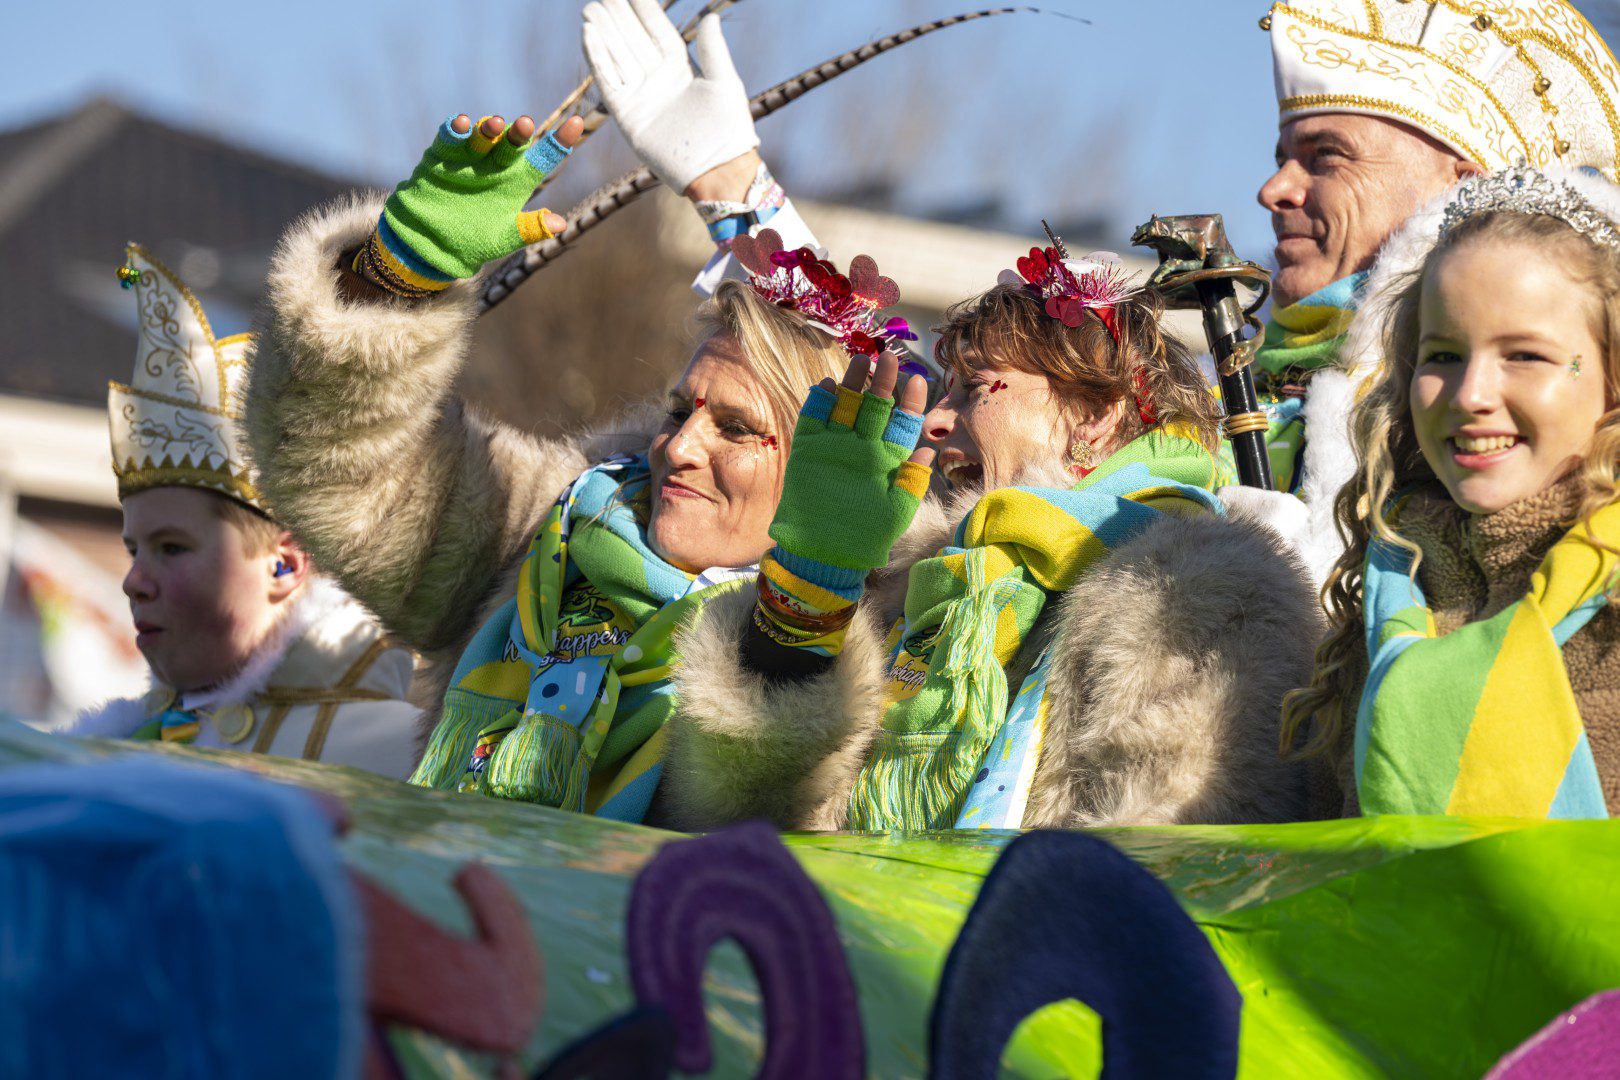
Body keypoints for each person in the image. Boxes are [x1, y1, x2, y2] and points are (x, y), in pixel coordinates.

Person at [241, 87, 913, 820]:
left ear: (825, 471)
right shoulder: (549, 522)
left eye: (737, 428)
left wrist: (809, 600)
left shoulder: (897, 647)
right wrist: (391, 278)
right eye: (680, 411)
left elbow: (755, 811)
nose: (680, 446)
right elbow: (345, 474)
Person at [656, 244, 1322, 831]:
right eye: (943, 393)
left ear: (1093, 415)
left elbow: (1161, 873)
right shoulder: (909, 586)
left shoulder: (1204, 588)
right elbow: (737, 813)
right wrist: (809, 587)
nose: (935, 421)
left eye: (973, 389)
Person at [1228, 0, 1620, 583]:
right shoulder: (1228, 387)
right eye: (1283, 158)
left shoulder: (1462, 419)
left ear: (1460, 188)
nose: (1274, 189)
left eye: (1326, 156)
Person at [1282, 166, 1620, 818]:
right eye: (1442, 356)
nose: (1471, 396)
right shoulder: (1382, 599)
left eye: (1525, 355)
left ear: (1612, 376)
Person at [72, 245, 420, 778]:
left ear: (285, 564)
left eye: (171, 548)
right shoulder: (108, 748)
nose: (133, 582)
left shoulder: (404, 754)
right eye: (134, 549)